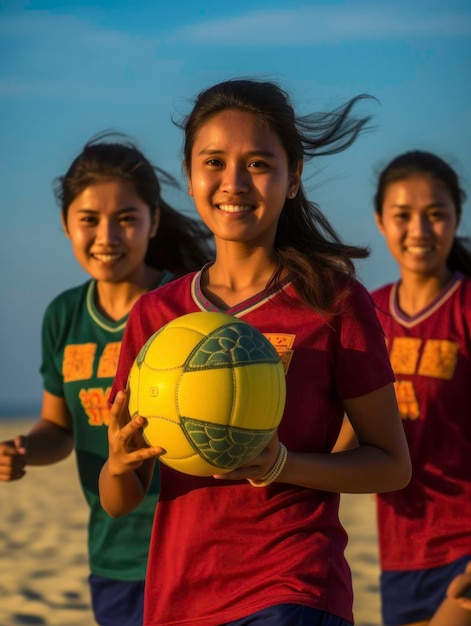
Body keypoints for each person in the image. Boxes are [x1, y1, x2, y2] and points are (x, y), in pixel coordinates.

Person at [98, 78, 412, 626]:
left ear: (293, 178)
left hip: (294, 587)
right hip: (179, 599)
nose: (234, 182)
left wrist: (284, 465)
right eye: (214, 161)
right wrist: (121, 465)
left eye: (259, 164)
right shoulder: (156, 316)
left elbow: (391, 464)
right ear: (191, 178)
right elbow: (121, 499)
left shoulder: (332, 300)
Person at [0, 134, 213, 626]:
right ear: (65, 223)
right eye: (89, 220)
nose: (107, 237)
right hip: (114, 553)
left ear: (153, 221)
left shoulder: (186, 308)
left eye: (126, 219)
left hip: (192, 551)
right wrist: (24, 451)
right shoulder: (64, 316)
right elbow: (58, 429)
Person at [370, 150, 471, 626]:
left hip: (464, 546)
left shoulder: (466, 307)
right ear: (379, 220)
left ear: (457, 216)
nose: (420, 230)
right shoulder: (367, 314)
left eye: (436, 215)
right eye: (403, 216)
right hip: (400, 553)